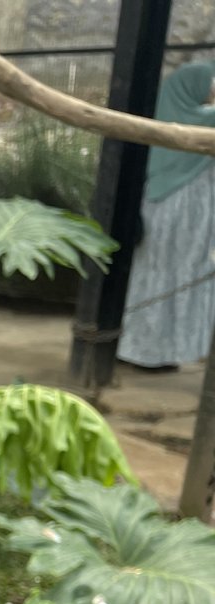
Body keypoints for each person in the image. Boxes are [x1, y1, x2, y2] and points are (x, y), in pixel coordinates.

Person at [118, 60, 215, 371]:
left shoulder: (163, 116)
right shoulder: (204, 121)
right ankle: (161, 350)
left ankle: (144, 349)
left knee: (153, 276)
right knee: (179, 277)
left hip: (157, 210)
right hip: (187, 218)